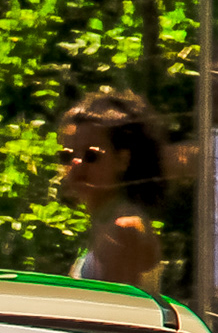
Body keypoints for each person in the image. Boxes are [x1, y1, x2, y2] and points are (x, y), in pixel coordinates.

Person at [55, 89, 170, 288]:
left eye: (91, 156)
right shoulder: (105, 224)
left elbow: (116, 307)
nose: (76, 163)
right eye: (67, 155)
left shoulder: (124, 230)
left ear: (122, 160)